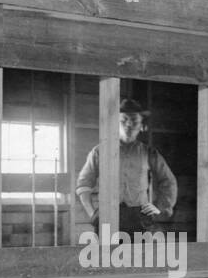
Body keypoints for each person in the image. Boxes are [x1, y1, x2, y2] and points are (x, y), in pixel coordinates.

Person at [75, 99, 177, 236]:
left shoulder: (149, 152)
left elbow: (168, 181)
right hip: (107, 216)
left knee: (140, 257)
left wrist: (160, 208)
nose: (129, 124)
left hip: (140, 218)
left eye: (134, 120)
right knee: (107, 257)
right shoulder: (99, 152)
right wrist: (92, 213)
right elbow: (84, 183)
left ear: (141, 126)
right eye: (124, 120)